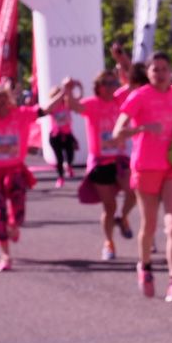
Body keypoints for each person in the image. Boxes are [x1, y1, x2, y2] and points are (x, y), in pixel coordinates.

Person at [113, 49, 172, 301]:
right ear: (148, 72)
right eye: (155, 69)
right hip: (146, 167)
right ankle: (144, 266)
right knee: (150, 225)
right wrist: (143, 128)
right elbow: (117, 132)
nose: (161, 73)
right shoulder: (138, 96)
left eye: (165, 69)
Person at [0, 83, 59, 272]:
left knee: (18, 213)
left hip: (14, 170)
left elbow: (45, 110)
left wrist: (64, 92)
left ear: (8, 100)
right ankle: (5, 256)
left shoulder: (21, 114)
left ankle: (14, 226)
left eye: (2, 101)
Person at [64, 71, 137, 261]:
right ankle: (109, 243)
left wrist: (123, 63)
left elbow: (134, 81)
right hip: (100, 162)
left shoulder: (119, 99)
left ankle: (124, 217)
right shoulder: (92, 104)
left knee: (133, 191)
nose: (113, 86)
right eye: (108, 83)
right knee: (109, 206)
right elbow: (72, 105)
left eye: (114, 82)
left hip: (120, 158)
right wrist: (68, 89)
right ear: (99, 86)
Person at [44, 88, 78, 188]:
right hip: (56, 135)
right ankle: (60, 177)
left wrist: (75, 88)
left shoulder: (67, 105)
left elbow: (77, 102)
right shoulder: (52, 108)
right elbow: (46, 108)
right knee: (59, 158)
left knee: (70, 155)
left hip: (67, 134)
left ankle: (69, 166)